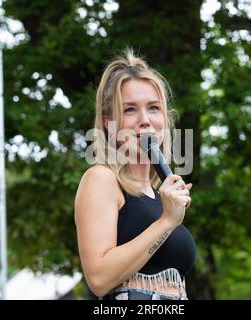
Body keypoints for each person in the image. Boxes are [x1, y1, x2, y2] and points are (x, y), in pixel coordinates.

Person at [74, 48, 196, 300]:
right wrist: (166, 221)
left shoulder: (158, 194)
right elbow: (99, 278)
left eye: (153, 108)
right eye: (130, 110)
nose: (145, 120)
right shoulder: (101, 179)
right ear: (110, 124)